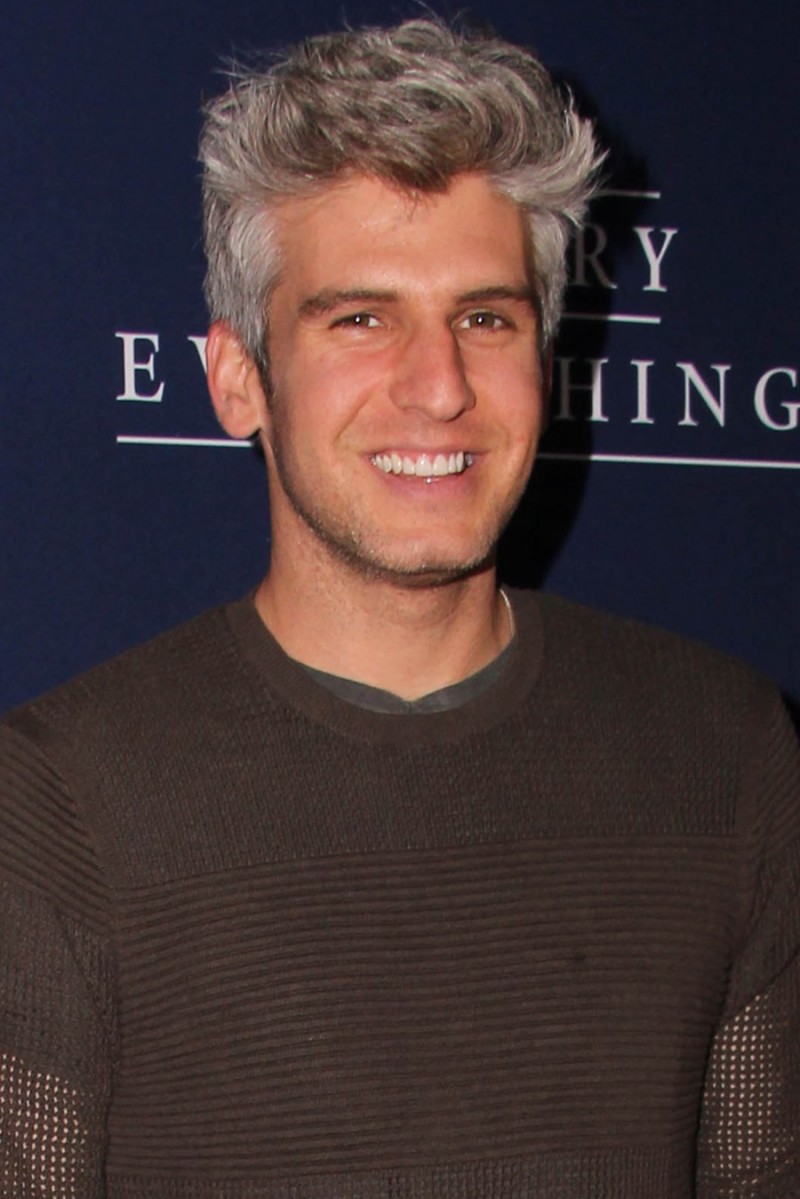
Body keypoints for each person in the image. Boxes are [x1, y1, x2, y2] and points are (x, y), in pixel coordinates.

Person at [1, 17, 798, 1199]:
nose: (439, 387)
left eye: (486, 317)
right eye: (359, 318)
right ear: (236, 379)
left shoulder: (723, 752)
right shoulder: (60, 802)